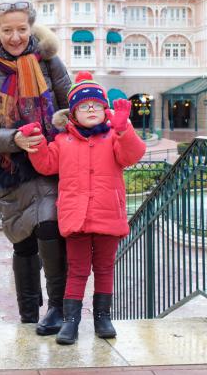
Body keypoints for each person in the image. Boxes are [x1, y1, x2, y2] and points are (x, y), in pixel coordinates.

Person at [21, 71, 146, 345]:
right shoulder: (63, 141)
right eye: (84, 106)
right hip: (76, 217)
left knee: (104, 268)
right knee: (77, 270)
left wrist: (124, 130)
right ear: (73, 113)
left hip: (107, 215)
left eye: (97, 105)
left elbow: (133, 155)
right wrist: (37, 142)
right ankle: (71, 321)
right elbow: (46, 164)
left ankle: (103, 317)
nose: (91, 110)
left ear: (105, 110)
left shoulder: (113, 137)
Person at [0, 0, 71, 336]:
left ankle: (58, 308)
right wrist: (15, 138)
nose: (15, 37)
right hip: (12, 169)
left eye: (21, 29)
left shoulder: (50, 63)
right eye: (7, 30)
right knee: (23, 241)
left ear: (31, 28)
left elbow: (72, 105)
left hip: (51, 161)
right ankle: (29, 314)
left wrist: (63, 123)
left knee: (49, 225)